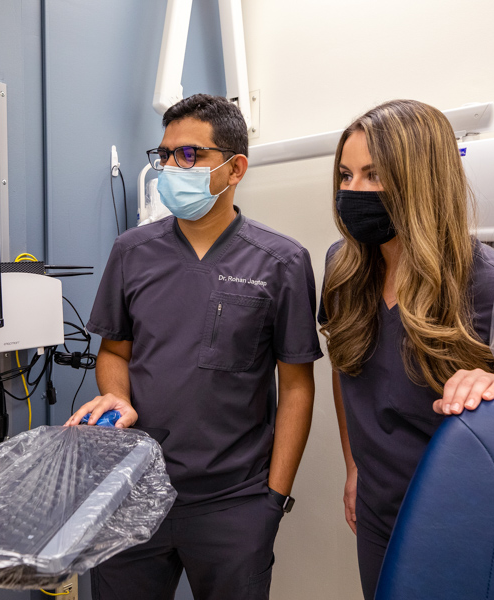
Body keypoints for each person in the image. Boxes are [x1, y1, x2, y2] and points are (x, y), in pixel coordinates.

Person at [65, 94, 323, 600]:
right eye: (164, 156)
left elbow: (295, 388)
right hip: (131, 492)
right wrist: (116, 396)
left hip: (234, 503)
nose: (169, 168)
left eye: (188, 155)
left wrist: (273, 500)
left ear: (235, 168)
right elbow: (115, 352)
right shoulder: (132, 252)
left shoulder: (282, 261)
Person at [318, 98, 494, 600]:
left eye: (373, 175)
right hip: (378, 509)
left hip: (459, 521)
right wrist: (354, 468)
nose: (352, 191)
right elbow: (345, 372)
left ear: (420, 179)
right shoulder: (343, 269)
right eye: (345, 175)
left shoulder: (493, 286)